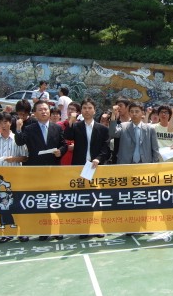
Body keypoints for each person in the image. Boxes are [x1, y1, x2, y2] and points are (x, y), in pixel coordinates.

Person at [14, 101, 68, 241]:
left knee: (54, 201)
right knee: (40, 201)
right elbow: (20, 142)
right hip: (35, 170)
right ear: (35, 113)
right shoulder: (29, 129)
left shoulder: (57, 128)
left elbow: (64, 145)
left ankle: (57, 230)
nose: (44, 112)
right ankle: (42, 230)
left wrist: (60, 151)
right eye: (40, 110)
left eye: (45, 109)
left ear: (49, 111)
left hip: (53, 170)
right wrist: (18, 128)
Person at [64, 98, 110, 239]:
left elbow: (106, 148)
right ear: (81, 111)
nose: (87, 110)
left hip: (96, 167)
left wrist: (98, 159)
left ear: (94, 110)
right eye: (84, 108)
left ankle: (97, 227)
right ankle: (83, 228)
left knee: (97, 198)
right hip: (80, 166)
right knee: (82, 198)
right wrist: (71, 121)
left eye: (90, 108)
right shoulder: (76, 126)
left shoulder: (102, 129)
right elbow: (67, 136)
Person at [0, 112, 29, 243]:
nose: (3, 125)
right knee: (3, 207)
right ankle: (6, 233)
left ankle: (21, 232)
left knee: (17, 204)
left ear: (10, 123)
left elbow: (25, 157)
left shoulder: (17, 138)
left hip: (15, 177)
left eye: (5, 122)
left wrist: (13, 159)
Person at [58, 102, 82, 166]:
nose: (70, 111)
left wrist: (76, 146)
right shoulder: (59, 125)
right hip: (62, 157)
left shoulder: (81, 126)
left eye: (73, 109)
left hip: (76, 158)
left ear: (78, 112)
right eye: (69, 109)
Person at [109, 97, 131, 164]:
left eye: (120, 106)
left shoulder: (133, 122)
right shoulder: (115, 122)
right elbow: (112, 133)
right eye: (117, 106)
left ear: (127, 107)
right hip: (117, 158)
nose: (118, 108)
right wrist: (113, 115)